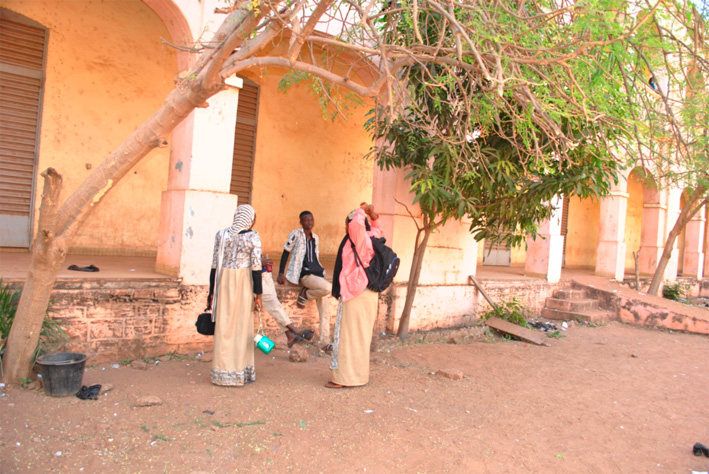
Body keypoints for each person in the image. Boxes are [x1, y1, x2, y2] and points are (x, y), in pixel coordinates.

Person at [326, 202, 383, 388]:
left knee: (347, 337)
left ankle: (343, 379)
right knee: (361, 337)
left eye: (346, 223)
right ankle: (359, 377)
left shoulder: (359, 238)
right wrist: (372, 215)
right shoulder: (372, 237)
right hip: (368, 294)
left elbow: (356, 224)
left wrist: (362, 211)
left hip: (355, 293)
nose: (346, 227)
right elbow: (378, 227)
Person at [207, 204, 263, 387]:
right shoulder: (253, 237)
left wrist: (211, 292)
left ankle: (222, 371)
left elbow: (214, 266)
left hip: (224, 283)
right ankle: (240, 369)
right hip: (243, 284)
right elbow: (256, 268)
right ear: (250, 220)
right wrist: (258, 295)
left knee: (224, 325)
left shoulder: (221, 235)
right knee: (241, 326)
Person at [277, 210, 332, 351]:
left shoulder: (316, 238)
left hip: (317, 274)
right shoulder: (296, 234)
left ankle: (324, 342)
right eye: (306, 220)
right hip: (305, 275)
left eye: (311, 220)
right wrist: (281, 273)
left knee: (325, 309)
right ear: (301, 222)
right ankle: (306, 293)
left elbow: (315, 257)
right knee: (328, 288)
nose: (310, 222)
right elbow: (285, 252)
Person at [260, 254, 314, 347]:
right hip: (254, 274)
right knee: (273, 304)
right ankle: (295, 331)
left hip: (265, 273)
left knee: (275, 304)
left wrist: (263, 259)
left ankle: (290, 336)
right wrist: (258, 261)